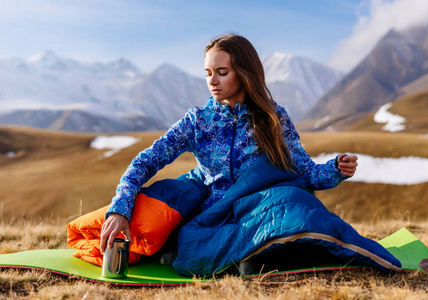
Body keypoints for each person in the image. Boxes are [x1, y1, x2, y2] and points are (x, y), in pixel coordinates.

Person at [100, 34, 358, 253]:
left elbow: (307, 173)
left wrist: (336, 169)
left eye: (222, 73)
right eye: (208, 73)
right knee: (187, 235)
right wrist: (119, 209)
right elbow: (146, 161)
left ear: (245, 74)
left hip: (261, 210)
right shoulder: (198, 121)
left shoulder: (273, 118)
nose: (212, 81)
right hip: (214, 217)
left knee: (296, 202)